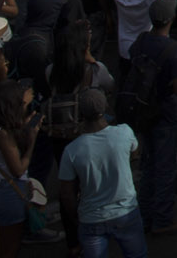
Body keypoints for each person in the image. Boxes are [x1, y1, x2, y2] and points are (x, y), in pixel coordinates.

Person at [54, 90, 140, 258]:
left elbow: (66, 193)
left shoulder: (72, 150)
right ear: (105, 107)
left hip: (91, 219)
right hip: (125, 212)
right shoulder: (124, 132)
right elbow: (134, 154)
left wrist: (76, 217)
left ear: (80, 113)